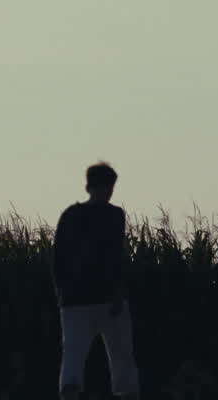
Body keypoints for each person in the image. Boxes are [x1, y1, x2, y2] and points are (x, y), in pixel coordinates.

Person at [51, 162, 141, 399]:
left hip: (87, 300)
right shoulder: (112, 215)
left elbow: (59, 259)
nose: (107, 191)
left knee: (78, 357)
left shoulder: (75, 215)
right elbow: (114, 257)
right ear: (93, 187)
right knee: (116, 360)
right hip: (93, 300)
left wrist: (62, 292)